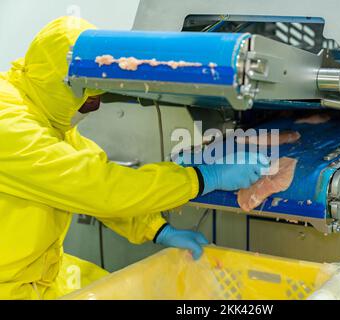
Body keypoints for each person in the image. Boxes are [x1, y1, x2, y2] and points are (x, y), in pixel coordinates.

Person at [0, 16, 269, 300]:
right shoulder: (10, 125)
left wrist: (156, 228)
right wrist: (205, 177)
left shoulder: (42, 111)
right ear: (65, 85)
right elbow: (99, 187)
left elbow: (90, 170)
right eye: (90, 99)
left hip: (40, 275)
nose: (95, 106)